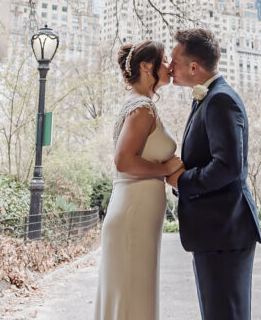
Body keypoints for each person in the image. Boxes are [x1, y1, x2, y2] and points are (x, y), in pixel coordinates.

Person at [167, 28, 261, 320]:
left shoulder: (221, 100)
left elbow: (228, 166)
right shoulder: (208, 98)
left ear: (194, 68)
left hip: (224, 232)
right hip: (215, 233)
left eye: (174, 62)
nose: (169, 67)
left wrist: (182, 180)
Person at [94, 40, 184, 320]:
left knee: (133, 297)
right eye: (164, 59)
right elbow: (124, 161)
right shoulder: (142, 108)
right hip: (133, 215)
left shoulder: (139, 104)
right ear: (146, 66)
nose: (169, 65)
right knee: (133, 298)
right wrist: (165, 168)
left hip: (136, 214)